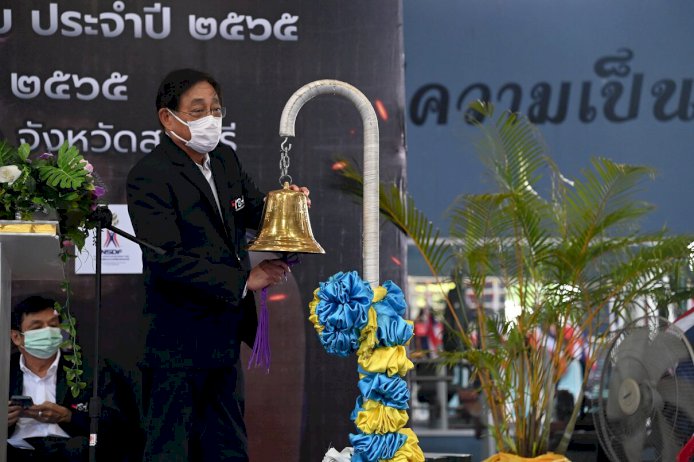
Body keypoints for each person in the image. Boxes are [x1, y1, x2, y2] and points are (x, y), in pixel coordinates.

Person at [126, 68, 310, 461]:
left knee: (228, 449)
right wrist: (246, 279)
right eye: (197, 110)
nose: (211, 118)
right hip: (175, 345)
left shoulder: (224, 159)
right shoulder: (149, 176)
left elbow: (255, 211)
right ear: (167, 117)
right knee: (170, 452)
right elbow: (166, 260)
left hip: (223, 340)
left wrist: (288, 206)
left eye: (215, 108)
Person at [7, 295, 139, 461]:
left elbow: (118, 425)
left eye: (53, 326)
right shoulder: (5, 370)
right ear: (17, 337)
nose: (47, 333)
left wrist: (68, 416)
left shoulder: (89, 370)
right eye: (37, 328)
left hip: (70, 451)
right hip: (15, 451)